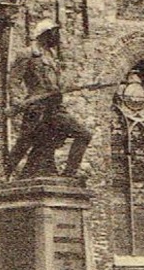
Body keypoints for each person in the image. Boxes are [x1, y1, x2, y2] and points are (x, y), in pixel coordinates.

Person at [5, 19, 92, 179]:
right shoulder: (27, 54)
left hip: (55, 107)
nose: (57, 38)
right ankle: (5, 174)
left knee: (83, 134)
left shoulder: (52, 57)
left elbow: (59, 83)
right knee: (25, 142)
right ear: (45, 34)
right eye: (55, 33)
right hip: (36, 107)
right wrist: (17, 102)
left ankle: (69, 175)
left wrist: (77, 85)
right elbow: (14, 81)